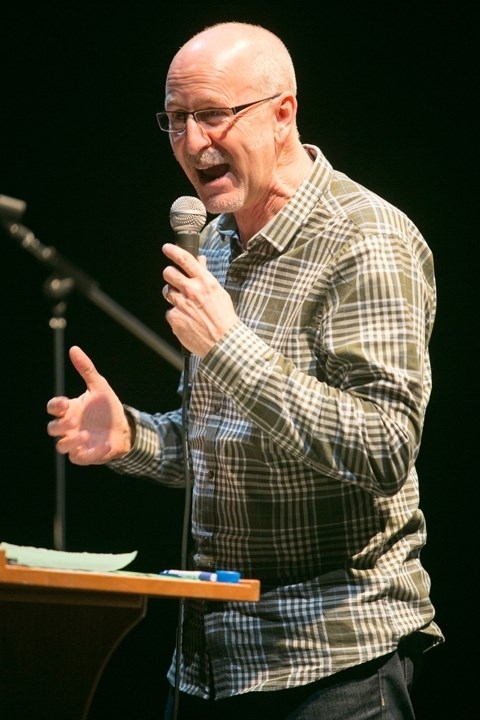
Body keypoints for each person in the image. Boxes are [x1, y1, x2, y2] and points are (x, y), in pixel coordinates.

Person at [46, 21, 444, 720]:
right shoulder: (219, 241)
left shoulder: (367, 241)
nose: (192, 143)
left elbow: (383, 447)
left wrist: (229, 347)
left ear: (283, 112)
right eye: (175, 121)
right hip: (210, 663)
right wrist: (131, 438)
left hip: (332, 663)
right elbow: (234, 441)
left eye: (212, 115)